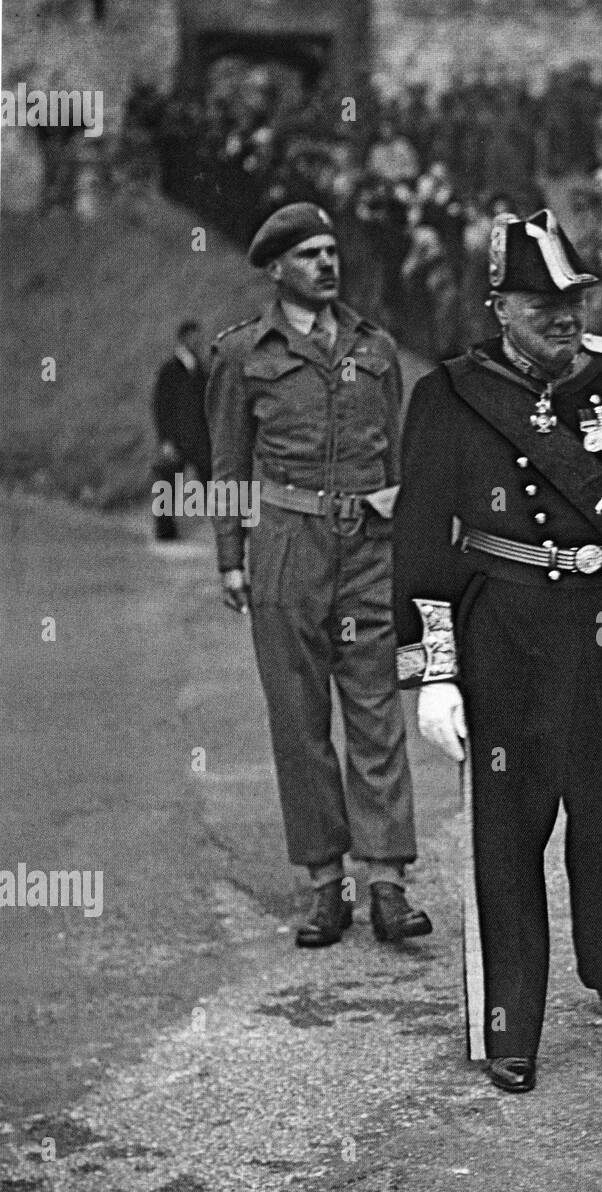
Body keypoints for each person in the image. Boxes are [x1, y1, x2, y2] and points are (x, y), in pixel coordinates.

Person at [392, 208, 602, 1094]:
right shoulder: (449, 396)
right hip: (509, 630)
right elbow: (420, 543)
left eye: (574, 298)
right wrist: (436, 672)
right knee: (509, 829)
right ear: (498, 306)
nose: (564, 316)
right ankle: (510, 1023)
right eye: (541, 303)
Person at [206, 202, 429, 951]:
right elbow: (229, 465)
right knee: (299, 723)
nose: (327, 265)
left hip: (368, 544)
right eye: (309, 256)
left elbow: (396, 460)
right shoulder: (244, 355)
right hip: (287, 547)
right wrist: (231, 558)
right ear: (276, 270)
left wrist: (409, 554)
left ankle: (388, 882)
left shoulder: (376, 348)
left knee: (376, 712)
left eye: (332, 252)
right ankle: (323, 884)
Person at [151, 319, 212, 542]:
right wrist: (165, 440)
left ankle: (225, 531)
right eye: (194, 337)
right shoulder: (169, 371)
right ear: (184, 338)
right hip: (176, 439)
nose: (198, 341)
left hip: (199, 437)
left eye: (199, 336)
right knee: (168, 484)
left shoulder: (201, 369)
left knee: (212, 480)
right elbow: (161, 407)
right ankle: (165, 533)